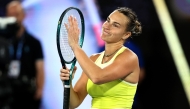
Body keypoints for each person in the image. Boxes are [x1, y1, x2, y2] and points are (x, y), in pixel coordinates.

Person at [60, 7, 142, 109]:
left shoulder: (129, 57)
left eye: (115, 25)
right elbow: (73, 104)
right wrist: (68, 84)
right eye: (108, 20)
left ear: (126, 34)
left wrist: (75, 46)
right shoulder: (93, 59)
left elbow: (97, 77)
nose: (107, 26)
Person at [6, 1, 44, 109]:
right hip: (7, 92)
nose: (13, 19)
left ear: (23, 15)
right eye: (10, 15)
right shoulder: (3, 42)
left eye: (16, 15)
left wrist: (40, 89)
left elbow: (40, 69)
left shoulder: (34, 42)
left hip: (27, 93)